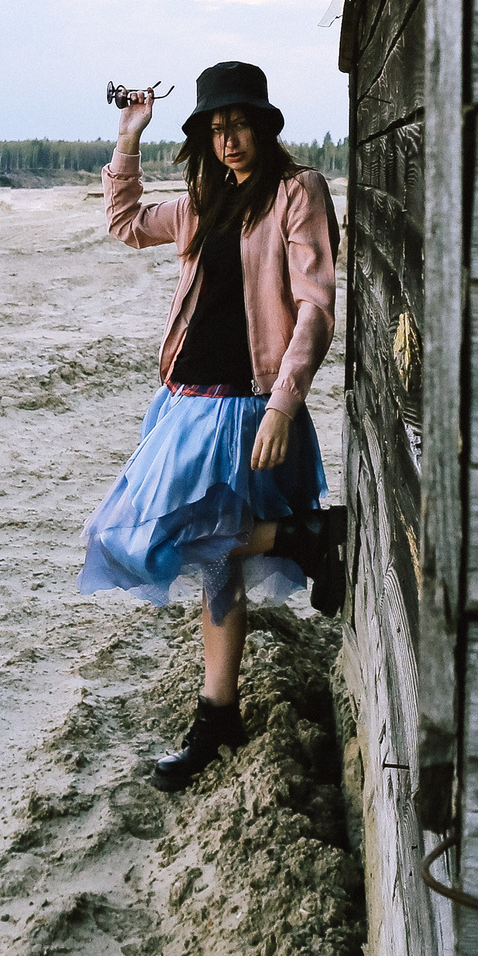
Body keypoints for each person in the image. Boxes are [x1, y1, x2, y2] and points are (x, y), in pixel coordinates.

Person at [80, 60, 345, 791]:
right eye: (217, 128)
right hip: (184, 401)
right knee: (209, 563)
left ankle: (307, 537)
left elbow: (316, 306)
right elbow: (127, 225)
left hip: (246, 404)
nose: (229, 140)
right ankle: (219, 712)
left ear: (264, 126)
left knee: (157, 536)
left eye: (240, 125)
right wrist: (130, 135)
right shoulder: (203, 199)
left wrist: (286, 403)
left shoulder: (298, 193)